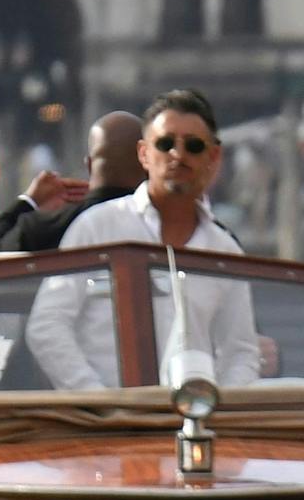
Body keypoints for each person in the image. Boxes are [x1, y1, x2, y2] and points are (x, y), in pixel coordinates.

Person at [27, 89, 260, 390]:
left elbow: (241, 352)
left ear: (213, 157)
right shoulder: (96, 228)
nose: (178, 155)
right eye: (165, 144)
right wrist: (99, 400)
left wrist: (213, 412)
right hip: (106, 426)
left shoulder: (224, 250)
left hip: (195, 427)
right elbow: (47, 326)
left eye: (193, 145)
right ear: (144, 154)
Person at [0, 112, 146, 253]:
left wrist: (28, 201)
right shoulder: (165, 224)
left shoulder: (42, 228)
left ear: (89, 165)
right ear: (146, 164)